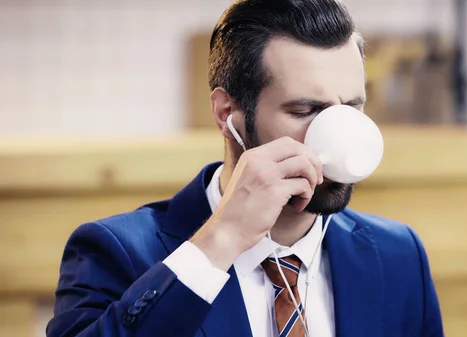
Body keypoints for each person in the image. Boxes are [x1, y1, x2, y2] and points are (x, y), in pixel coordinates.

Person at [46, 0, 444, 336]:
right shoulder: (115, 251)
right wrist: (222, 238)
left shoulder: (397, 255)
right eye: (305, 110)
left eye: (353, 108)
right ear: (227, 113)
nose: (339, 132)